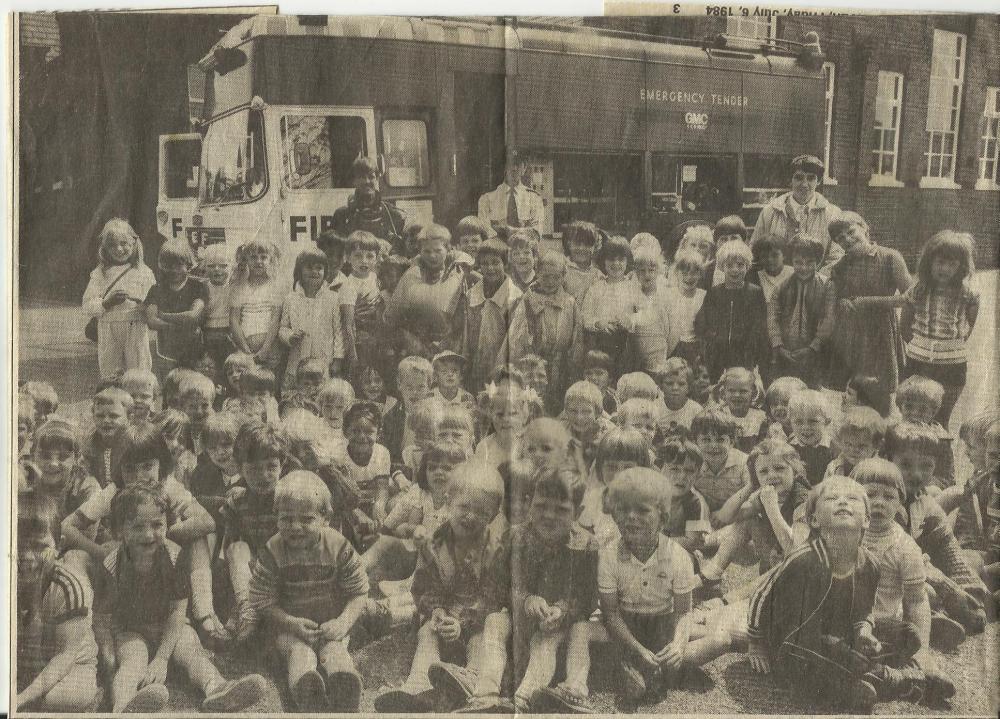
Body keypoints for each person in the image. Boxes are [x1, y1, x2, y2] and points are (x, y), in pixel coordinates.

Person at [95, 485, 267, 713]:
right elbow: (101, 616)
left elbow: (177, 612)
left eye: (157, 525)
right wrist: (107, 654)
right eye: (138, 527)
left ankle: (218, 689)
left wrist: (162, 659)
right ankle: (123, 706)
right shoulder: (112, 564)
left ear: (167, 524)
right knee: (131, 663)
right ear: (119, 532)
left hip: (171, 625)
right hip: (131, 629)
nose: (149, 535)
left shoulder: (174, 557)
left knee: (191, 652)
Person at [374, 469, 511, 713]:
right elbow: (424, 583)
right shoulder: (438, 540)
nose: (470, 516)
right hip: (444, 615)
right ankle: (417, 684)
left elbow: (494, 596)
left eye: (481, 512)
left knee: (483, 636)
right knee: (427, 631)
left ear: (494, 515)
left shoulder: (494, 549)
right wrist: (436, 609)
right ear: (448, 502)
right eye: (464, 507)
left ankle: (472, 677)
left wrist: (464, 622)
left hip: (476, 619)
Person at [745, 476, 881, 713]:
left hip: (840, 632)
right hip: (795, 637)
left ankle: (875, 673)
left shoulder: (869, 564)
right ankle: (881, 679)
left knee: (904, 633)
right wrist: (756, 642)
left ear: (867, 520)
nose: (842, 502)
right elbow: (761, 594)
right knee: (819, 657)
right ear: (814, 520)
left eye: (852, 499)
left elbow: (864, 609)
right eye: (831, 498)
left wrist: (864, 630)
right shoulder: (804, 559)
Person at [248, 471, 369, 712]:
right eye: (287, 519)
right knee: (299, 654)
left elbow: (360, 591)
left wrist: (343, 622)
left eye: (306, 519)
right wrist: (291, 623)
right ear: (277, 516)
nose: (295, 527)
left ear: (326, 518)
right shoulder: (273, 551)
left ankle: (344, 687)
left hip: (330, 623)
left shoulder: (338, 547)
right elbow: (261, 600)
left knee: (334, 651)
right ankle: (306, 691)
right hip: (288, 627)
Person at [852, 458, 957, 702]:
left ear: (900, 502)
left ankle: (908, 672)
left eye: (888, 497)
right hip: (846, 622)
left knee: (907, 637)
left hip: (885, 625)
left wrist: (924, 653)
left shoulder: (904, 547)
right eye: (870, 494)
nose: (878, 502)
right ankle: (896, 679)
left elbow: (916, 601)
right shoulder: (842, 534)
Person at [596, 469, 696, 705]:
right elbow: (610, 613)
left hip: (662, 625)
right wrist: (638, 648)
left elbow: (683, 612)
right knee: (582, 633)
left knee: (719, 640)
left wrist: (678, 646)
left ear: (663, 519)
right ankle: (639, 667)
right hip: (624, 626)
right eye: (623, 509)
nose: (631, 516)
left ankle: (650, 669)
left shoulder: (678, 556)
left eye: (642, 510)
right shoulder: (609, 556)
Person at [510, 470, 600, 712]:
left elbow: (586, 597)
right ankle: (527, 692)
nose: (549, 516)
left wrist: (561, 610)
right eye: (541, 506)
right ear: (529, 503)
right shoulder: (517, 537)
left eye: (561, 510)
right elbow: (501, 585)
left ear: (578, 514)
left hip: (565, 627)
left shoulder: (586, 545)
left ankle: (570, 689)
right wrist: (527, 599)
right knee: (537, 637)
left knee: (548, 639)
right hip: (522, 625)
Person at [15, 495, 101, 713]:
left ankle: (97, 694)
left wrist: (20, 699)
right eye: (17, 545)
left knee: (55, 700)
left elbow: (64, 657)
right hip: (26, 660)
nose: (26, 556)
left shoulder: (69, 587)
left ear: (59, 545)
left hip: (72, 663)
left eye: (39, 546)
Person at [827, 211, 912, 394]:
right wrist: (841, 303)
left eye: (851, 232)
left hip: (882, 331)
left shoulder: (890, 257)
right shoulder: (839, 267)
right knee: (850, 390)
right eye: (841, 238)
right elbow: (834, 301)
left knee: (882, 389)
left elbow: (909, 298)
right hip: (850, 333)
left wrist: (866, 302)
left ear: (865, 228)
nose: (847, 239)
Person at [900, 230, 979, 426]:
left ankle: (941, 454)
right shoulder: (918, 290)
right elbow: (905, 325)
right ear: (929, 262)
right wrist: (921, 346)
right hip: (918, 361)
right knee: (913, 413)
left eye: (952, 264)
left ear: (961, 267)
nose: (945, 268)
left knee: (940, 416)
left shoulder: (966, 293)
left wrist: (954, 343)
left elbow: (969, 322)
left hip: (952, 364)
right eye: (940, 262)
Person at [218, 421, 285, 642]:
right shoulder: (237, 502)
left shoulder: (288, 499)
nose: (263, 475)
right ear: (240, 468)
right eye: (254, 468)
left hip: (283, 565)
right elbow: (230, 543)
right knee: (236, 549)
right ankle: (246, 610)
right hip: (251, 569)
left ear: (282, 465)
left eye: (271, 467)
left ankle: (247, 617)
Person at [82, 218, 156, 382]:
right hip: (109, 328)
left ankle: (141, 404)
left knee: (139, 372)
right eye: (112, 245)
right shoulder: (100, 274)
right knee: (111, 373)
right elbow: (87, 305)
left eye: (124, 243)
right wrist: (106, 302)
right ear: (105, 249)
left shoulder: (144, 272)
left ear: (133, 243)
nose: (119, 249)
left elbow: (155, 302)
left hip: (136, 328)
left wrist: (145, 305)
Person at [506, 250, 582, 411]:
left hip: (561, 368)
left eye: (556, 277)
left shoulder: (570, 303)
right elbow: (516, 339)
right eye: (546, 276)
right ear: (538, 273)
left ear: (563, 276)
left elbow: (576, 340)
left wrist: (572, 368)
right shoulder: (528, 299)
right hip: (533, 367)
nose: (550, 281)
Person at [384, 224, 468, 362]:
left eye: (437, 250)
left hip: (450, 346)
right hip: (416, 347)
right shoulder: (411, 275)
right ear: (420, 251)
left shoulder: (457, 273)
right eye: (427, 251)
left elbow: (462, 316)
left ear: (448, 249)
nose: (432, 256)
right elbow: (392, 317)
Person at [749, 154, 844, 273]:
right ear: (790, 180)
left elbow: (836, 258)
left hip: (816, 286)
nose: (804, 184)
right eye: (799, 178)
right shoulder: (770, 211)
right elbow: (754, 251)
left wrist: (814, 282)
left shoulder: (832, 214)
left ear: (818, 181)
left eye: (810, 178)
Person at [694, 239, 769, 382]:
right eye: (729, 265)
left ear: (747, 267)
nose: (735, 269)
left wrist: (754, 354)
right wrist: (714, 337)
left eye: (740, 265)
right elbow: (702, 321)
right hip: (718, 354)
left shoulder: (755, 293)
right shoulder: (715, 293)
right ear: (722, 267)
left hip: (745, 355)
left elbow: (759, 327)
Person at [767, 234, 836, 388]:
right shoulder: (781, 287)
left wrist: (813, 347)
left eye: (810, 262)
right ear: (791, 261)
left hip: (814, 354)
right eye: (798, 262)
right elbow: (772, 318)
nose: (804, 268)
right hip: (785, 353)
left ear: (818, 262)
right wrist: (778, 345)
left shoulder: (827, 286)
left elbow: (828, 319)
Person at [461, 239, 523, 393]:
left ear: (506, 265)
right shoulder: (471, 295)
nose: (490, 268)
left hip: (500, 370)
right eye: (485, 263)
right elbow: (465, 336)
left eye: (495, 263)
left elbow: (513, 341)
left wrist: (501, 373)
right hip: (474, 369)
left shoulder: (515, 298)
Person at [279, 247, 344, 392]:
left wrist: (338, 359)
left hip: (323, 358)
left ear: (325, 272)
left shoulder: (332, 298)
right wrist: (290, 336)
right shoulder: (291, 298)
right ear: (299, 271)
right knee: (296, 392)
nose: (314, 271)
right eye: (309, 267)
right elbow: (283, 327)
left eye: (319, 268)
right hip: (298, 357)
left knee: (321, 391)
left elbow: (338, 331)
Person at [143, 239, 207, 370]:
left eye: (179, 265)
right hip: (165, 353)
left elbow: (192, 316)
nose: (173, 270)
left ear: (188, 264)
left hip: (193, 353)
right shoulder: (156, 289)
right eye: (168, 265)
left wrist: (163, 316)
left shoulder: (198, 287)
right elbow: (152, 321)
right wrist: (182, 325)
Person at [580, 235, 638, 374]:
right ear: (603, 261)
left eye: (620, 259)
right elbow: (585, 315)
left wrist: (630, 321)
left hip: (626, 344)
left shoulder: (633, 288)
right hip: (600, 342)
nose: (616, 263)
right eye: (611, 259)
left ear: (627, 261)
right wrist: (599, 323)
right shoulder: (596, 287)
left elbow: (641, 314)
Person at [228, 239, 283, 373]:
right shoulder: (239, 286)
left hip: (270, 348)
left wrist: (265, 349)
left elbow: (275, 319)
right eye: (253, 257)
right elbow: (234, 320)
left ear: (270, 260)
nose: (259, 261)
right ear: (246, 259)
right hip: (245, 347)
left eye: (263, 257)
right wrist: (245, 350)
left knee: (269, 384)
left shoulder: (275, 286)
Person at [332, 156, 406, 249]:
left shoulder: (393, 215)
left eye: (371, 177)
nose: (367, 181)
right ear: (354, 181)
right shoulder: (341, 216)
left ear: (377, 179)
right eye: (362, 177)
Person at [627, 246, 674, 375]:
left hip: (661, 353)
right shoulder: (634, 296)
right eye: (642, 271)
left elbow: (672, 330)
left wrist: (666, 355)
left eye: (651, 270)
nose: (647, 275)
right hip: (640, 354)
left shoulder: (665, 296)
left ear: (658, 271)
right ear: (636, 273)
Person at [477, 151, 543, 240]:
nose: (514, 168)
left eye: (518, 164)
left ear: (524, 168)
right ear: (503, 168)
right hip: (498, 250)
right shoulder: (487, 199)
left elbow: (536, 232)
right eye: (510, 164)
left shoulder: (535, 198)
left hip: (523, 250)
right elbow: (485, 231)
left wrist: (505, 230)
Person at [787, 389, 834, 492]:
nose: (805, 427)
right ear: (790, 422)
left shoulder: (833, 449)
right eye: (798, 422)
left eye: (813, 421)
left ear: (826, 421)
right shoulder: (788, 448)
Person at [85, 387, 132, 488]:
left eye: (113, 416)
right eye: (100, 416)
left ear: (129, 418)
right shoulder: (89, 446)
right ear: (93, 417)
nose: (106, 420)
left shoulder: (133, 445)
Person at [199, 243, 234, 369]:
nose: (217, 269)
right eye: (211, 266)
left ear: (231, 267)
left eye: (223, 266)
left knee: (231, 367)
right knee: (211, 369)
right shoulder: (202, 287)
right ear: (205, 267)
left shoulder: (234, 286)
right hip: (209, 333)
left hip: (231, 333)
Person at [825, 406, 884, 479]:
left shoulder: (879, 472)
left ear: (876, 445)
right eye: (848, 444)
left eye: (861, 446)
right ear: (841, 441)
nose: (853, 450)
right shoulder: (834, 467)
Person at [561, 221, 604, 307]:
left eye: (587, 244)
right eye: (577, 243)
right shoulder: (561, 270)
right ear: (569, 244)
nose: (581, 248)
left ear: (595, 247)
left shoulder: (598, 275)